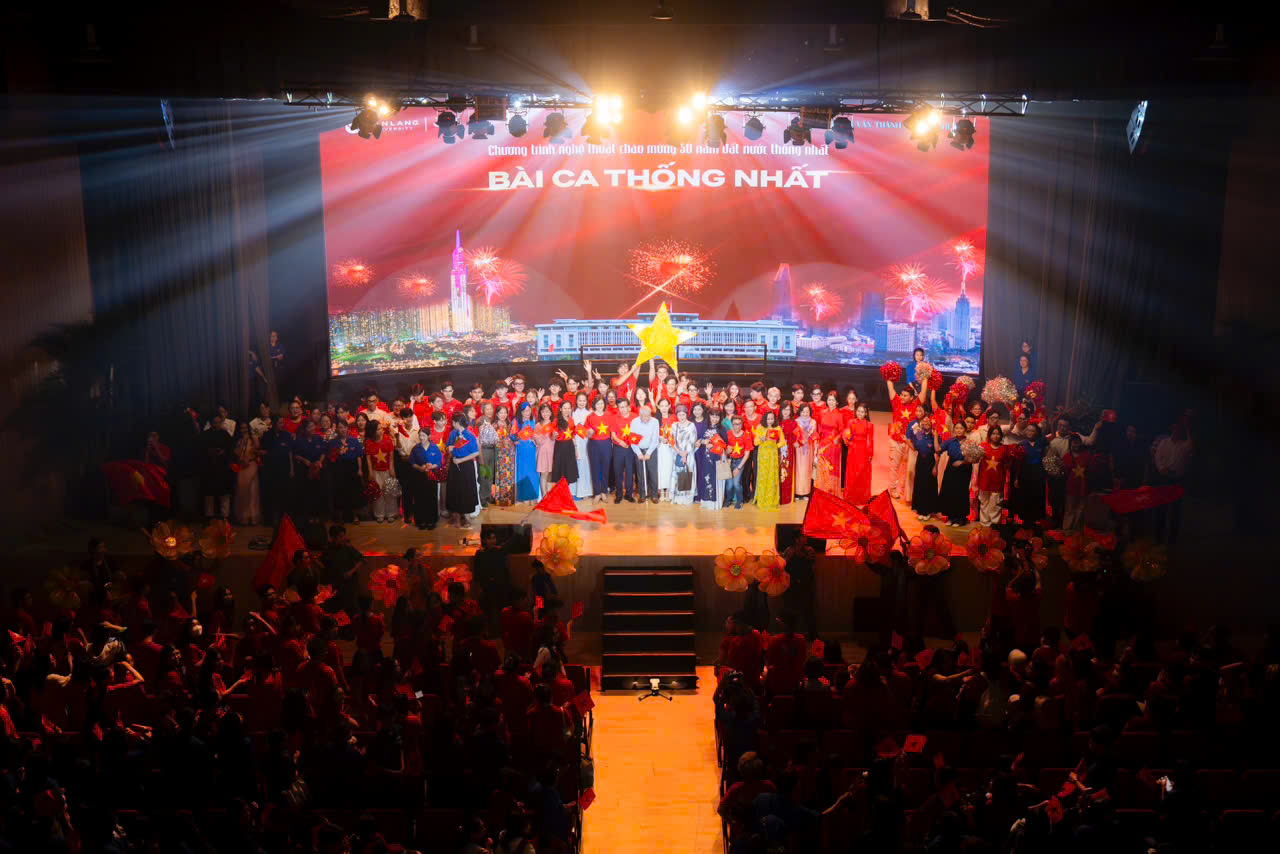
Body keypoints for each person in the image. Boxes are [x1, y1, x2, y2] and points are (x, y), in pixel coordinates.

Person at [1151, 418, 1192, 542]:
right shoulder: (1164, 442)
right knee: (1161, 508)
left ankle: (1172, 539)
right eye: (1175, 429)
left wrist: (1187, 429)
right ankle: (1158, 537)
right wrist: (1161, 468)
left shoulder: (1183, 445)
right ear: (1171, 429)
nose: (1176, 431)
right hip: (1164, 478)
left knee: (1175, 510)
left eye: (1178, 429)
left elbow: (1191, 446)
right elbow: (1157, 457)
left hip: (1177, 479)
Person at [938, 415, 976, 526]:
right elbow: (938, 450)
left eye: (961, 428)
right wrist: (935, 436)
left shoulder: (970, 442)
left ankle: (960, 518)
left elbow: (974, 458)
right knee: (949, 491)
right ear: (954, 429)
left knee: (961, 493)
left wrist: (962, 462)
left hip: (964, 469)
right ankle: (950, 517)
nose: (959, 430)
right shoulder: (950, 441)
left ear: (965, 430)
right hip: (951, 468)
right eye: (957, 428)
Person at [445, 412, 481, 528]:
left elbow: (475, 452)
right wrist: (449, 448)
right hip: (454, 464)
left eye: (453, 422)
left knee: (466, 490)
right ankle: (455, 516)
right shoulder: (453, 433)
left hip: (466, 465)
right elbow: (448, 446)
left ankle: (466, 518)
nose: (452, 424)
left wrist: (461, 460)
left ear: (456, 423)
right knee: (454, 489)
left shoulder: (469, 435)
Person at [199, 412, 235, 520]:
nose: (217, 425)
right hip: (209, 468)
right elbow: (200, 451)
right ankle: (209, 517)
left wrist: (223, 452)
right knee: (209, 494)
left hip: (222, 468)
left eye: (219, 422)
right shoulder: (205, 435)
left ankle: (225, 517)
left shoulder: (225, 434)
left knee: (224, 493)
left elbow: (231, 449)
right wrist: (210, 451)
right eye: (215, 422)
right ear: (211, 423)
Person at [782, 535, 819, 639]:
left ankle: (812, 635)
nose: (806, 538)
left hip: (806, 583)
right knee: (791, 609)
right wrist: (790, 556)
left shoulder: (809, 550)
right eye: (803, 536)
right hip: (792, 583)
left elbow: (811, 562)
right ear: (796, 539)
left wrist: (801, 554)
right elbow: (784, 564)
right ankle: (790, 634)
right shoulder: (789, 550)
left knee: (809, 609)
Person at [976, 424, 1013, 526]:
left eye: (998, 434)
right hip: (984, 480)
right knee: (984, 502)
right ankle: (984, 523)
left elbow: (1008, 464)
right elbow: (975, 460)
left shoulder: (1004, 449)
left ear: (1001, 436)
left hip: (998, 481)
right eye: (993, 434)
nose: (995, 436)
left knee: (996, 503)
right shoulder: (982, 446)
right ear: (989, 435)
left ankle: (995, 524)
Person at [362, 420, 397, 523]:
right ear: (372, 431)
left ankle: (391, 514)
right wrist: (370, 472)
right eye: (378, 429)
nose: (381, 430)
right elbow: (368, 458)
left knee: (389, 492)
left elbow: (391, 456)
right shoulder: (368, 442)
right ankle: (379, 514)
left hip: (387, 470)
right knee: (378, 494)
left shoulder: (387, 439)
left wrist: (391, 468)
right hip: (376, 471)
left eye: (381, 428)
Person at [408, 426, 442, 529]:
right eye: (420, 435)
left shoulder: (434, 447)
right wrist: (420, 468)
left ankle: (432, 521)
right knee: (419, 498)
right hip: (419, 477)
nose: (421, 438)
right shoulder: (416, 448)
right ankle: (420, 520)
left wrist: (432, 466)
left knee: (432, 498)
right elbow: (412, 462)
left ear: (429, 436)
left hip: (432, 477)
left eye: (423, 435)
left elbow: (439, 462)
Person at [908, 414, 941, 521]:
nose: (926, 423)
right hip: (920, 462)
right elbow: (915, 447)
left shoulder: (934, 435)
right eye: (924, 421)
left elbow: (937, 451)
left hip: (930, 462)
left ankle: (928, 511)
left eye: (928, 421)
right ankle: (921, 510)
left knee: (928, 486)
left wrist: (936, 467)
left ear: (931, 423)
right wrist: (906, 441)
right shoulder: (919, 434)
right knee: (920, 485)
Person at [842, 401, 874, 505]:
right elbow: (846, 434)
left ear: (866, 413)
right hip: (852, 450)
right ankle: (850, 497)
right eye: (858, 411)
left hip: (863, 451)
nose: (860, 413)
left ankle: (862, 498)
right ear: (856, 411)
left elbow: (871, 440)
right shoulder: (851, 422)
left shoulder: (869, 425)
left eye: (862, 412)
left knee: (862, 475)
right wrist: (846, 440)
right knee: (852, 474)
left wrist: (870, 454)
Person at [753, 410, 785, 512]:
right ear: (764, 419)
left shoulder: (778, 428)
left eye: (772, 419)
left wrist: (776, 445)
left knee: (772, 476)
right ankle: (762, 500)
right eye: (768, 419)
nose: (770, 421)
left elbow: (783, 442)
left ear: (774, 419)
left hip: (773, 455)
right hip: (762, 454)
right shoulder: (760, 427)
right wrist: (761, 439)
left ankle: (772, 500)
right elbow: (755, 442)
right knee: (763, 476)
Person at [231, 421, 261, 525]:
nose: (244, 430)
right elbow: (236, 453)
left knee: (253, 492)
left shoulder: (254, 439)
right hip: (241, 467)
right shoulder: (238, 440)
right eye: (242, 428)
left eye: (245, 428)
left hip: (251, 465)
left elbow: (257, 451)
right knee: (242, 492)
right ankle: (243, 517)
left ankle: (253, 517)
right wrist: (242, 443)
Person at [815, 390, 844, 495]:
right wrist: (817, 439)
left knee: (832, 468)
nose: (831, 402)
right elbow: (818, 428)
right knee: (822, 467)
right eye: (829, 400)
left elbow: (842, 431)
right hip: (823, 444)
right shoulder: (822, 412)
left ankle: (831, 491)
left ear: (837, 402)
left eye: (833, 400)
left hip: (833, 445)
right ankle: (821, 490)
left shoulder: (839, 415)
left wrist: (837, 438)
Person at [631, 403, 661, 502]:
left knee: (653, 473)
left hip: (651, 449)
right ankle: (642, 494)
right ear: (640, 415)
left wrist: (648, 453)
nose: (646, 418)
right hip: (639, 450)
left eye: (648, 416)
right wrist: (639, 453)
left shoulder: (655, 422)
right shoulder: (634, 422)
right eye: (644, 416)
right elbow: (633, 440)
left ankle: (654, 495)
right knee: (640, 473)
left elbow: (655, 439)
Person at [670, 404, 698, 505]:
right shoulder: (674, 425)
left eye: (683, 415)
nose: (681, 417)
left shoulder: (691, 425)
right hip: (677, 454)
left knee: (687, 474)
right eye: (679, 415)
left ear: (686, 414)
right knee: (678, 475)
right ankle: (678, 498)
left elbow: (692, 441)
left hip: (688, 455)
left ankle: (687, 498)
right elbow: (671, 440)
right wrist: (679, 452)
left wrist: (685, 454)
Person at [513, 402, 541, 503]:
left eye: (529, 410)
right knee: (522, 470)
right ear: (521, 412)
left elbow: (537, 434)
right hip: (521, 449)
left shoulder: (533, 420)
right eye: (525, 411)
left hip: (532, 448)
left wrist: (535, 438)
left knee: (532, 471)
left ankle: (533, 495)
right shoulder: (516, 421)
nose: (527, 413)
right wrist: (516, 439)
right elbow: (512, 435)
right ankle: (523, 495)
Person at [549, 400, 579, 491]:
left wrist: (576, 449)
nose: (567, 410)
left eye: (569, 408)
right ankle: (560, 493)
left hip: (570, 447)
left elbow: (573, 436)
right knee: (560, 472)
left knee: (568, 472)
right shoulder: (556, 421)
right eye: (565, 408)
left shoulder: (571, 420)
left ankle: (566, 493)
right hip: (560, 448)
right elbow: (552, 437)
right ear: (561, 409)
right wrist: (554, 435)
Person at [725, 416, 754, 509]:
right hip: (729, 461)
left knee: (736, 483)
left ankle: (739, 501)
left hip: (739, 461)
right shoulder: (728, 434)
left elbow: (747, 454)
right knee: (729, 484)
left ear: (741, 424)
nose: (736, 426)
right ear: (732, 424)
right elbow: (723, 449)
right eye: (734, 424)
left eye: (739, 424)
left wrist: (739, 468)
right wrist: (727, 451)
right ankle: (728, 499)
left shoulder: (746, 436)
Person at [570, 391, 593, 500]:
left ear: (587, 401)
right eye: (580, 400)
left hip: (586, 442)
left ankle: (585, 491)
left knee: (585, 465)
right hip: (575, 441)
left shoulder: (590, 413)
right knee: (575, 465)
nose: (582, 402)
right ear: (576, 401)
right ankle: (574, 490)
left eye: (584, 400)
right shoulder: (572, 413)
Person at [475, 401, 499, 508]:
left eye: (491, 409)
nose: (490, 411)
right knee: (484, 475)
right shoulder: (481, 421)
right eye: (487, 409)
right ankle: (483, 498)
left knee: (489, 475)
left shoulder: (490, 420)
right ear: (482, 410)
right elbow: (481, 437)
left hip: (491, 450)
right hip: (484, 450)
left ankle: (488, 495)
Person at [533, 403, 556, 497]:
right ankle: (544, 496)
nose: (545, 414)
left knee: (551, 474)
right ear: (540, 413)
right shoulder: (538, 425)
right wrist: (541, 436)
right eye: (543, 412)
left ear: (551, 412)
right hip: (542, 452)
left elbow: (555, 439)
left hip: (552, 452)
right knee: (544, 474)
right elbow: (537, 441)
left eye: (547, 411)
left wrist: (554, 436)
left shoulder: (554, 424)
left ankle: (549, 494)